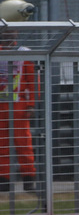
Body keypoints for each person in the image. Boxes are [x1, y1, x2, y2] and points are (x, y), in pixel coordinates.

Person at [0, 39, 37, 195]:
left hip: (19, 105)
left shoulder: (24, 53)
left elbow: (32, 80)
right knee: (2, 144)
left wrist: (31, 102)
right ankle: (4, 179)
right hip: (2, 104)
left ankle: (28, 178)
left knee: (24, 143)